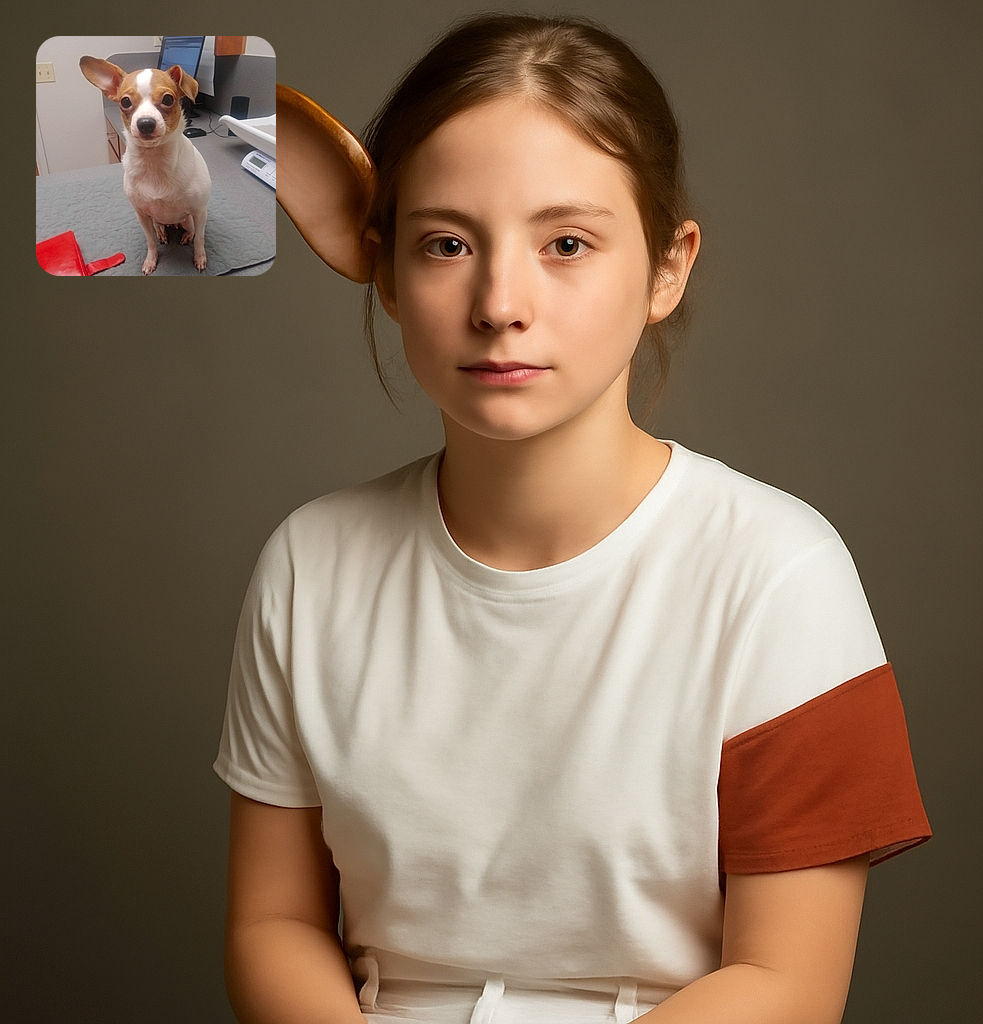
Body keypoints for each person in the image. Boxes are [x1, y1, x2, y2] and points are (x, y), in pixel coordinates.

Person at [214, 14, 931, 1024]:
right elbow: (273, 924)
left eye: (566, 243)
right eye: (446, 243)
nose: (501, 301)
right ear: (380, 267)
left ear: (667, 268)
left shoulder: (781, 573)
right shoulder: (311, 562)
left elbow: (786, 984)